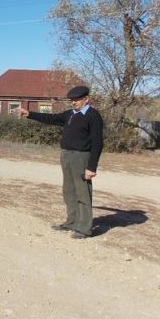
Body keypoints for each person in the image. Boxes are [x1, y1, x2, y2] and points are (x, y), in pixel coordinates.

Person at [15, 86, 103, 239]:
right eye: (72, 100)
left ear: (86, 99)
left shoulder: (93, 115)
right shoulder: (70, 114)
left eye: (77, 99)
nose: (74, 102)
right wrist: (29, 114)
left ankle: (84, 228)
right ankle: (72, 222)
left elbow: (97, 143)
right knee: (69, 191)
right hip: (66, 156)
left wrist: (91, 167)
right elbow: (52, 119)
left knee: (82, 193)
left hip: (81, 158)